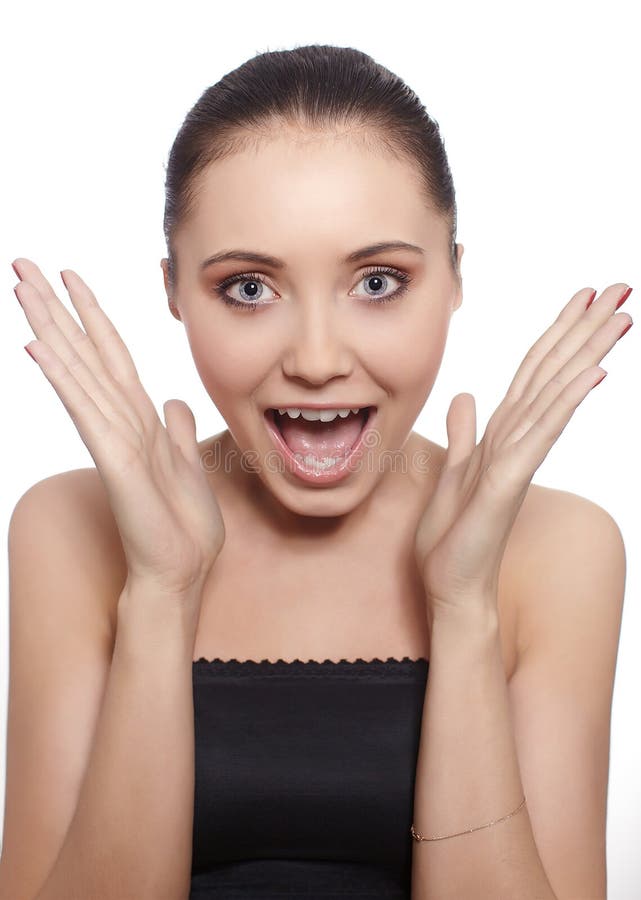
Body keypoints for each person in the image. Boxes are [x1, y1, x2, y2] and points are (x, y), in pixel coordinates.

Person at [0, 43, 630, 900]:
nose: (317, 359)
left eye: (377, 281)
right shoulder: (67, 528)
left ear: (454, 277)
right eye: (249, 289)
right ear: (175, 291)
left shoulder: (559, 548)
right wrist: (160, 592)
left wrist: (463, 608)